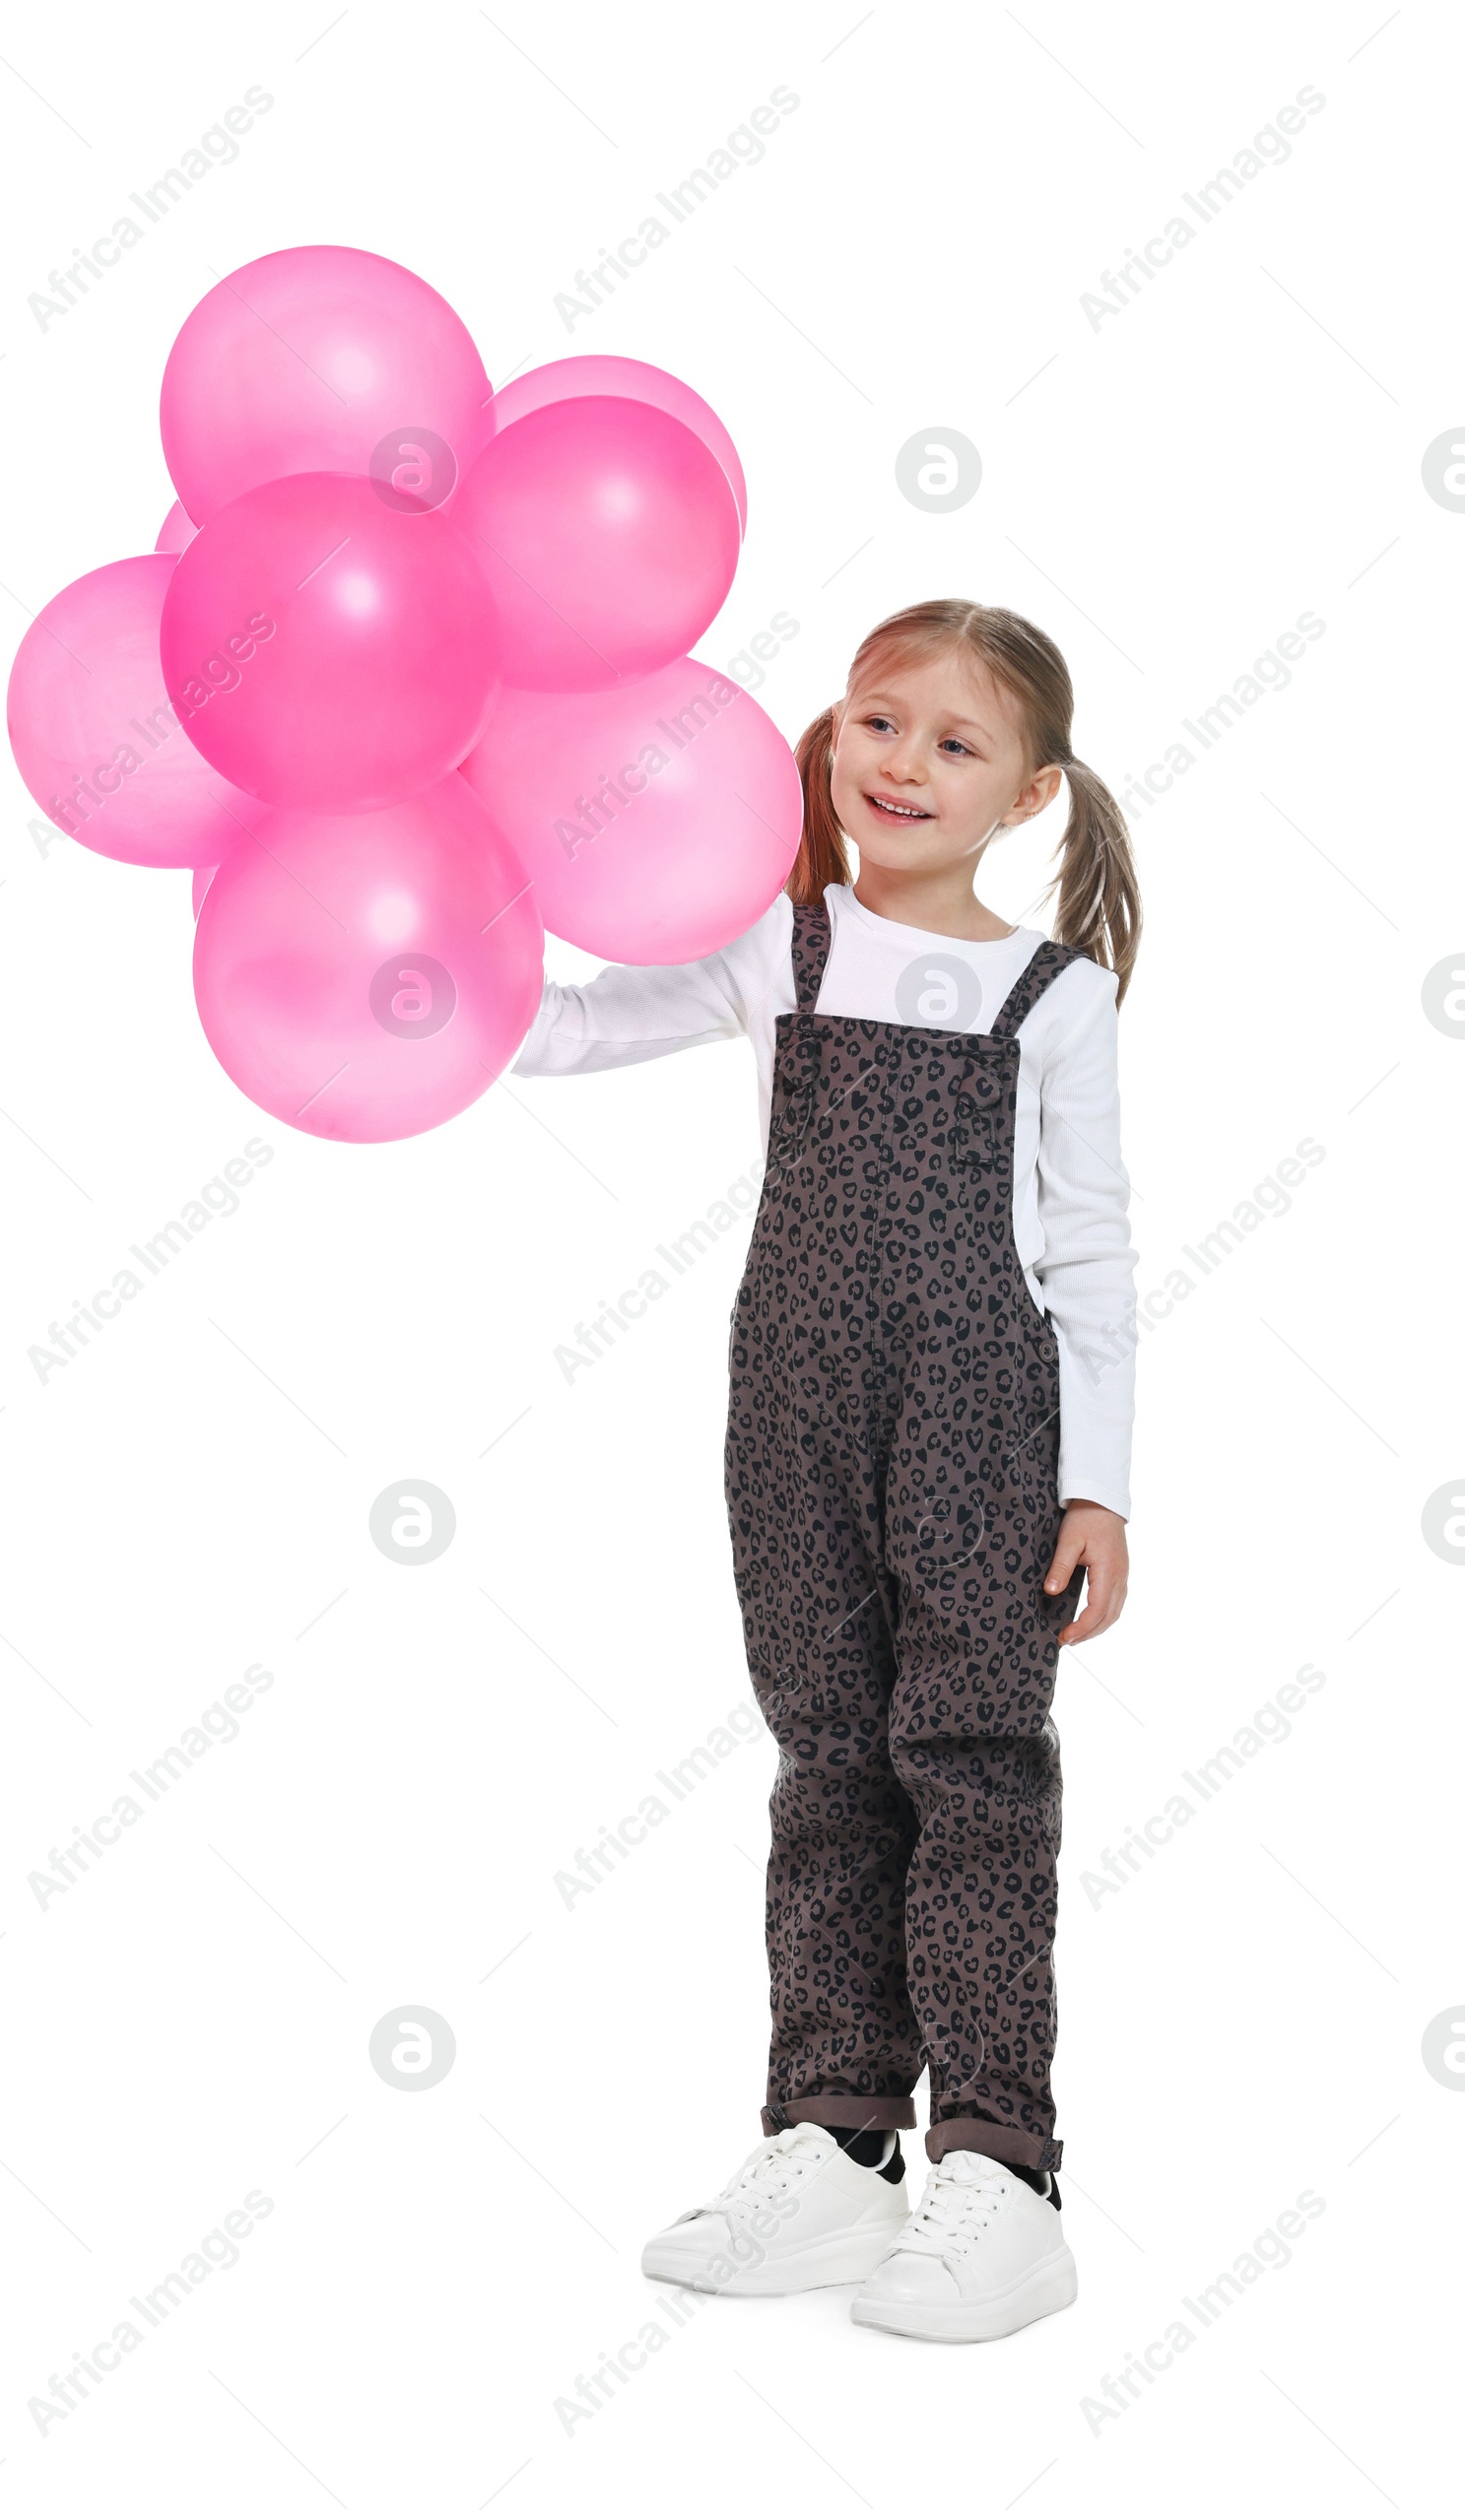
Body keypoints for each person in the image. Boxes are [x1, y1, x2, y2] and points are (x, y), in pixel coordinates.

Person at [511, 598, 1140, 2343]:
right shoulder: (777, 946)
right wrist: (440, 969)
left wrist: (1100, 1485)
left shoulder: (1049, 994)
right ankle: (835, 2139)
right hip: (784, 1409)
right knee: (824, 1765)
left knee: (973, 1765)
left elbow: (1090, 1249)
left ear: (1027, 796)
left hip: (976, 1420)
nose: (904, 762)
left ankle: (1001, 2170)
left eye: (955, 742)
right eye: (879, 721)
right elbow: (570, 1028)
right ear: (828, 736)